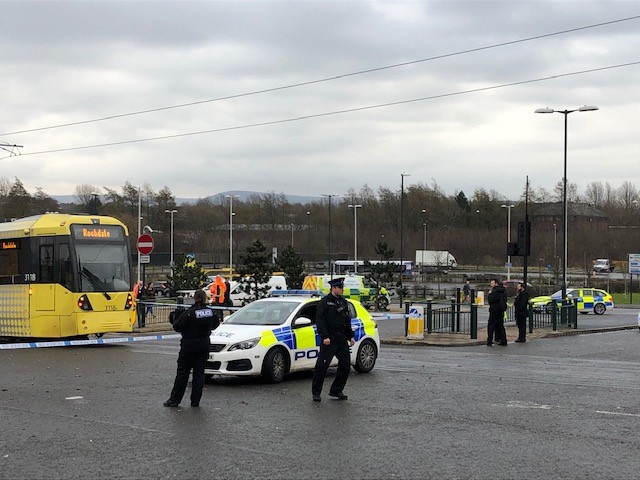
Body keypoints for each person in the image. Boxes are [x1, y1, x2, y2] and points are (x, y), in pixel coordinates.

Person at [164, 289, 219, 408]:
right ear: (205, 298)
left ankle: (174, 400)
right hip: (204, 344)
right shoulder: (210, 312)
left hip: (189, 345)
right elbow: (215, 324)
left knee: (183, 374)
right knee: (199, 374)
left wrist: (177, 316)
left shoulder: (190, 312)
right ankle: (195, 401)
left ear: (195, 298)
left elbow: (178, 326)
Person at [311, 277, 355, 402]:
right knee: (322, 366)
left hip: (341, 338)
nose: (342, 289)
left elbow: (347, 321)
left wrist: (350, 335)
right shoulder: (324, 302)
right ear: (333, 288)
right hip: (329, 339)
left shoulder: (343, 302)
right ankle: (316, 392)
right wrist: (324, 336)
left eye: (342, 287)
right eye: (340, 288)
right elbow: (320, 321)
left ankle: (336, 390)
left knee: (346, 365)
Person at [487, 278, 507, 346]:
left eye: (492, 283)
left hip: (494, 310)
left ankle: (489, 340)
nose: (491, 285)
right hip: (501, 310)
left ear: (496, 284)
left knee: (491, 326)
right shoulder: (503, 291)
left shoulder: (495, 291)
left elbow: (490, 300)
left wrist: (489, 294)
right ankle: (503, 340)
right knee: (500, 326)